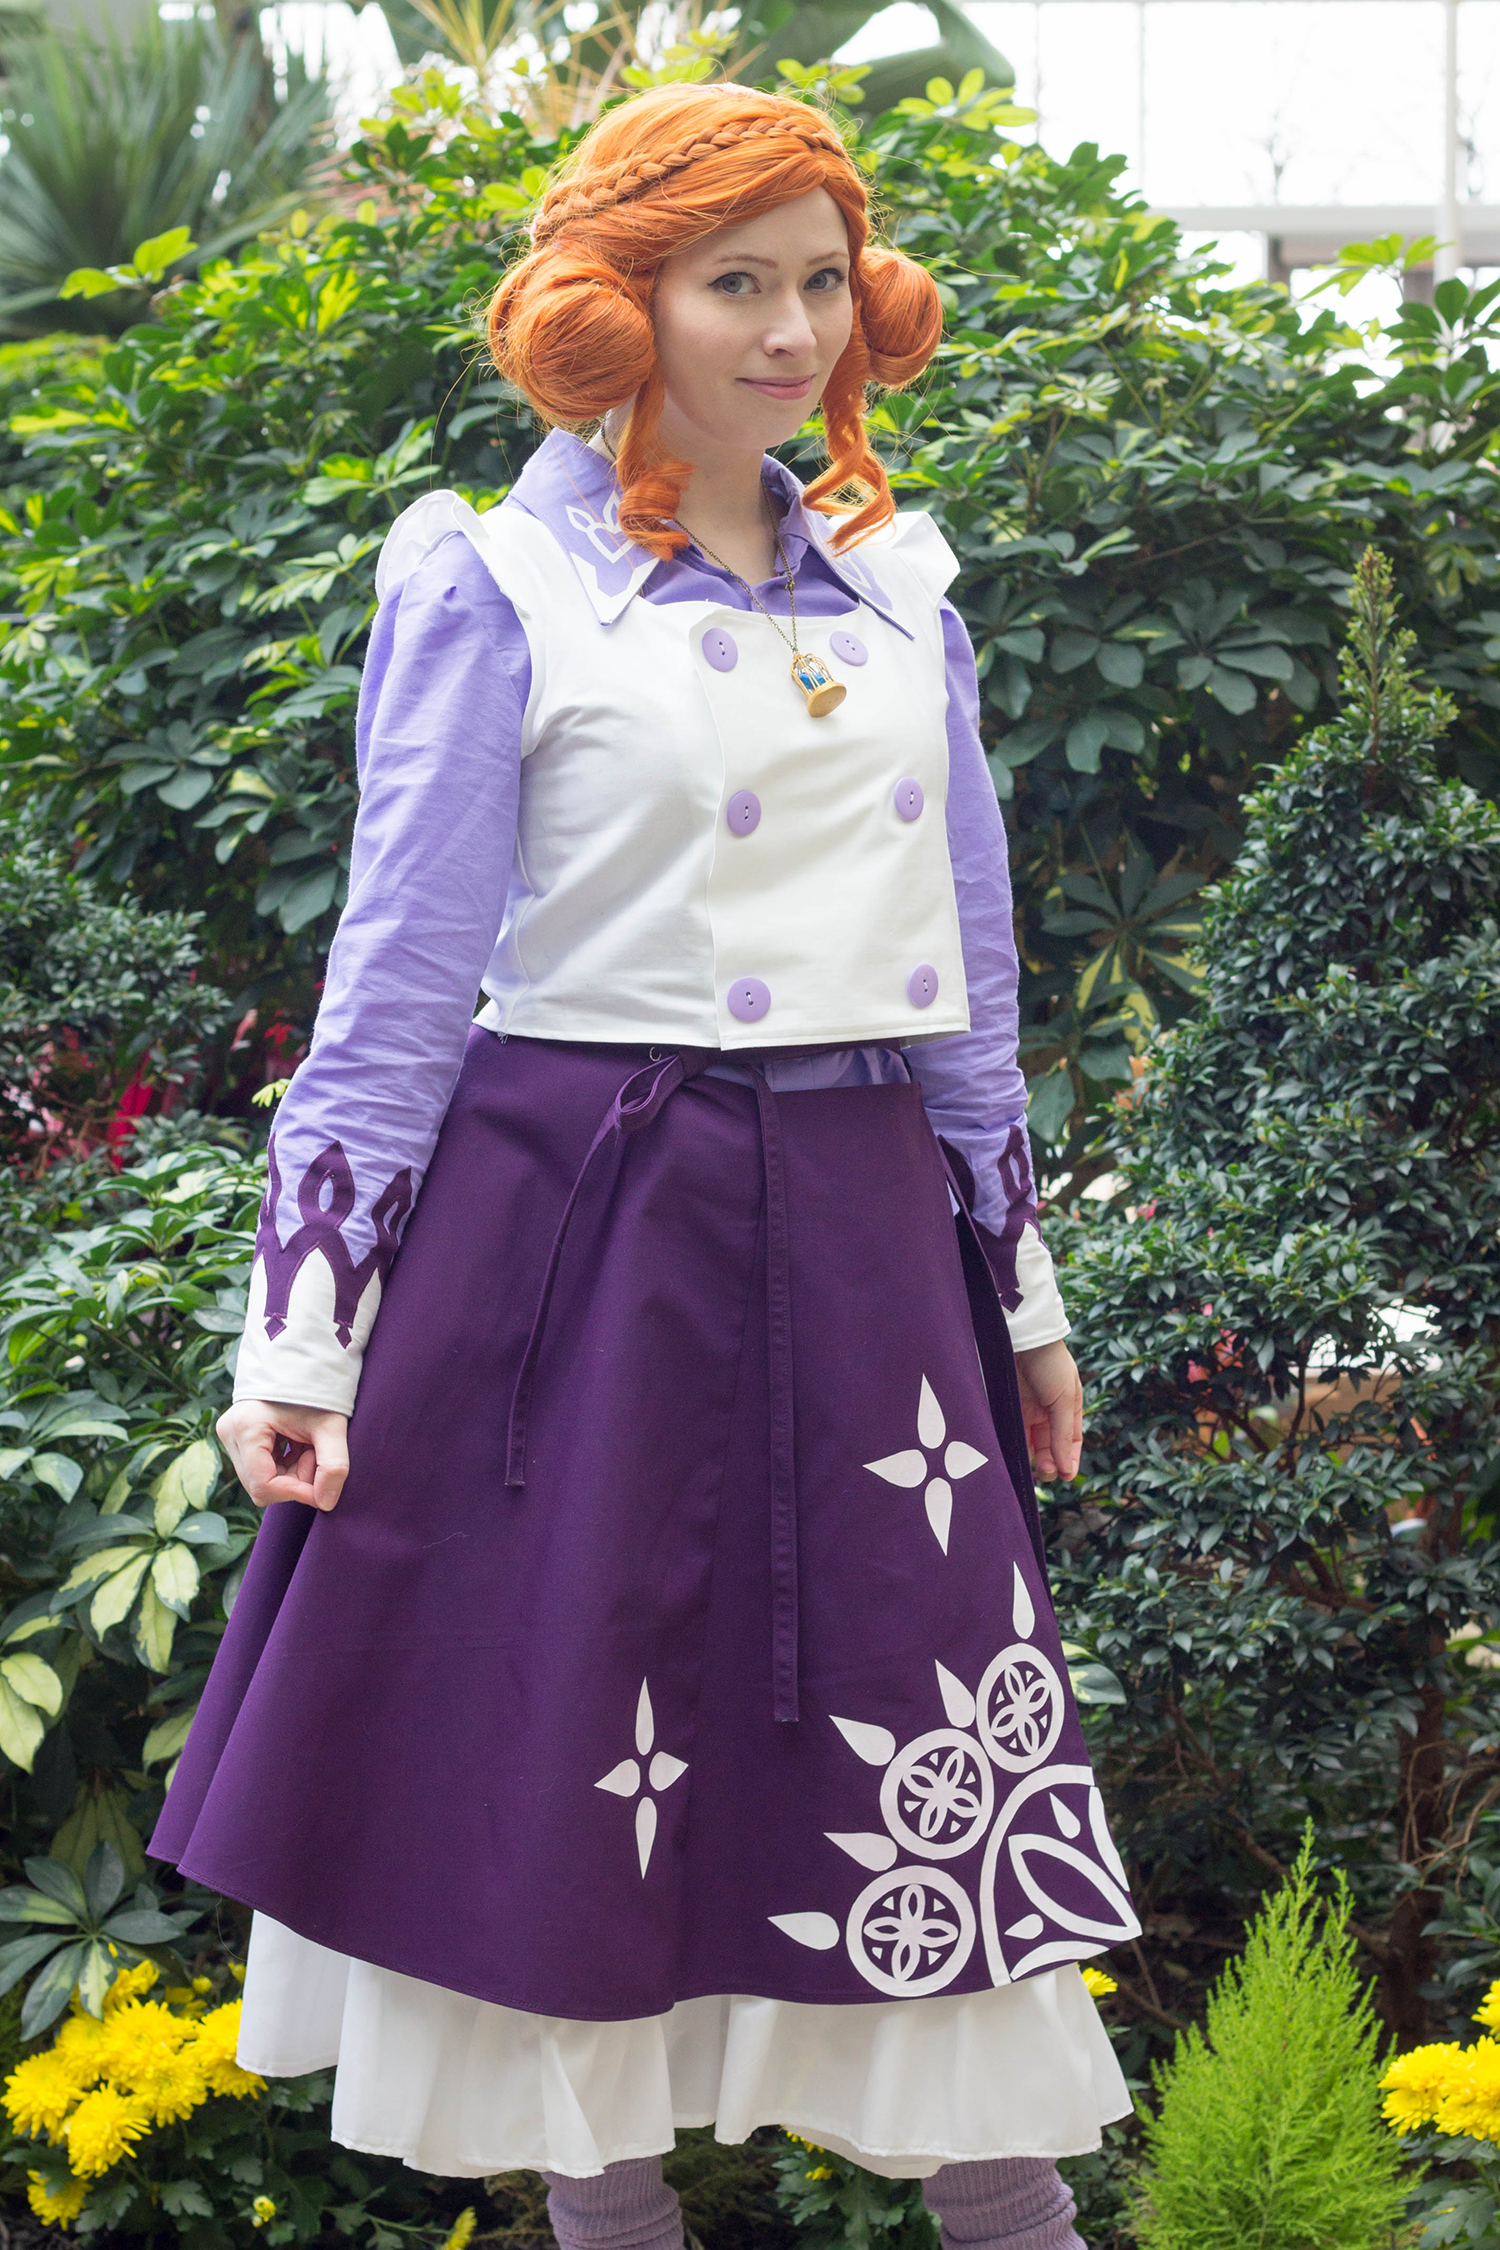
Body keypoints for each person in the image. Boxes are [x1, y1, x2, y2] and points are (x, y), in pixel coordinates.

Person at [150, 80, 1140, 2250]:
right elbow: (397, 988)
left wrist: (1025, 1300)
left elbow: (970, 985)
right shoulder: (499, 581)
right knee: (573, 1783)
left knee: (928, 1758)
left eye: (821, 282)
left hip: (871, 1254)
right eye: (734, 284)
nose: (791, 332)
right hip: (574, 1254)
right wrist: (300, 1341)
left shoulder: (904, 588)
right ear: (624, 302)